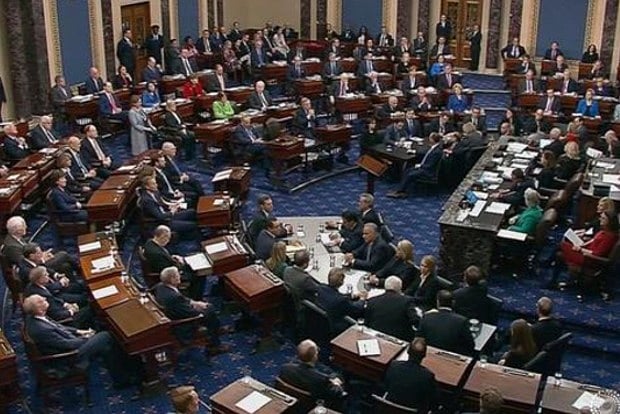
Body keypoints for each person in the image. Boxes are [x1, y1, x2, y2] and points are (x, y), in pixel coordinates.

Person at [23, 294, 140, 388]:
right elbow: (66, 345)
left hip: (72, 342)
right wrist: (86, 338)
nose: (45, 298)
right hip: (70, 356)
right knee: (106, 335)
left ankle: (122, 377)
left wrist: (79, 331)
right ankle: (126, 371)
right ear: (38, 309)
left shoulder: (36, 317)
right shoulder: (42, 329)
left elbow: (59, 327)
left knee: (106, 346)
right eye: (41, 300)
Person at [154, 267, 229, 355]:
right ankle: (214, 345)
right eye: (178, 275)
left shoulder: (160, 286)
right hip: (182, 324)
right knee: (210, 310)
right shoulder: (174, 297)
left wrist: (195, 303)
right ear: (172, 279)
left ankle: (216, 329)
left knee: (207, 309)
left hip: (176, 312)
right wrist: (201, 308)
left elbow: (183, 299)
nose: (180, 276)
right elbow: (191, 313)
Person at [279, 340, 346, 406]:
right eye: (317, 350)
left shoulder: (285, 368)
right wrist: (336, 384)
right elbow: (335, 393)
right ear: (315, 356)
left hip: (294, 398)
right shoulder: (321, 379)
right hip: (313, 403)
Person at [384, 338, 438, 412]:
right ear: (424, 355)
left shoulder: (394, 366)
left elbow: (386, 385)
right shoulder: (428, 376)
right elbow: (433, 401)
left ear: (408, 351)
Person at [417, 290, 475, 356]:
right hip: (451, 356)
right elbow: (470, 345)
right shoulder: (462, 321)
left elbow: (418, 338)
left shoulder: (427, 316)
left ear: (438, 302)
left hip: (428, 354)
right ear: (453, 302)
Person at [387, 132, 443, 199]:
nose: (429, 139)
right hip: (424, 167)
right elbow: (426, 152)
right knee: (407, 170)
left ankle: (400, 191)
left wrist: (420, 166)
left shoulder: (437, 152)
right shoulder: (434, 147)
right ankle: (402, 190)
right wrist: (414, 151)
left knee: (410, 174)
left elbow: (430, 165)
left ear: (432, 140)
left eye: (430, 138)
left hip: (428, 171)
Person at [315, 267, 365, 335]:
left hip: (320, 323)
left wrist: (352, 296)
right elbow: (356, 308)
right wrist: (362, 299)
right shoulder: (341, 300)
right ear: (342, 282)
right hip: (338, 327)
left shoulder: (321, 287)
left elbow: (335, 294)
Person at [365, 276, 417, 341]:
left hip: (374, 337)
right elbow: (415, 320)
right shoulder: (407, 301)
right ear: (400, 288)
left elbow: (366, 323)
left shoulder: (372, 301)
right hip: (398, 339)